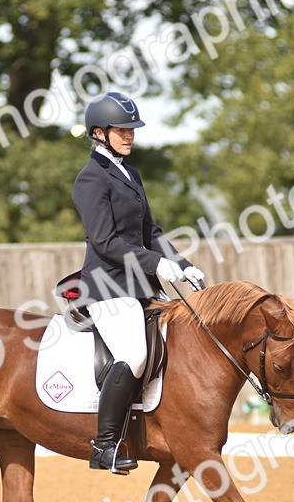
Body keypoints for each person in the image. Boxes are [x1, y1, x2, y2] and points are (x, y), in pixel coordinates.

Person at [71, 92, 205, 474]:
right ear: (100, 133)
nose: (130, 136)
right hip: (108, 285)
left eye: (132, 130)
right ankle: (106, 446)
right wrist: (156, 263)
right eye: (122, 130)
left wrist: (183, 263)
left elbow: (150, 230)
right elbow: (105, 242)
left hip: (143, 286)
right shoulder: (91, 178)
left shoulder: (130, 173)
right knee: (135, 353)